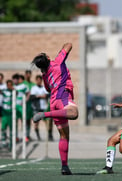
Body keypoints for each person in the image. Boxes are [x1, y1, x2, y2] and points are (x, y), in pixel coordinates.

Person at [31, 42, 78, 175]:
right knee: (74, 113)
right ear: (48, 58)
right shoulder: (58, 61)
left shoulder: (44, 75)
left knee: (64, 136)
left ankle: (64, 166)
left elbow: (47, 88)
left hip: (53, 102)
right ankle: (45, 115)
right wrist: (59, 54)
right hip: (63, 98)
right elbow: (69, 44)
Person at [30, 75, 51, 141]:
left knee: (47, 121)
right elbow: (32, 97)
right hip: (36, 107)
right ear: (36, 80)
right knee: (36, 122)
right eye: (38, 80)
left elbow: (47, 95)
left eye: (40, 80)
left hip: (44, 107)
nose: (39, 81)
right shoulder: (34, 88)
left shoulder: (44, 88)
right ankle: (38, 136)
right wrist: (40, 96)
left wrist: (38, 96)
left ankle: (49, 135)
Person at [0, 80, 13, 150]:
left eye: (10, 85)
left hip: (11, 112)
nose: (9, 86)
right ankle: (3, 142)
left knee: (11, 129)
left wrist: (13, 89)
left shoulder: (14, 91)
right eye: (8, 85)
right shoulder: (4, 91)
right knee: (3, 128)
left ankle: (11, 144)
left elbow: (17, 93)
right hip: (4, 112)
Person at [23, 70, 36, 142]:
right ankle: (23, 135)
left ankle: (27, 135)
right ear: (25, 75)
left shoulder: (33, 85)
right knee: (23, 120)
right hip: (23, 104)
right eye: (27, 74)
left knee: (28, 121)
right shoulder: (22, 84)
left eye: (29, 74)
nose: (28, 76)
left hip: (30, 105)